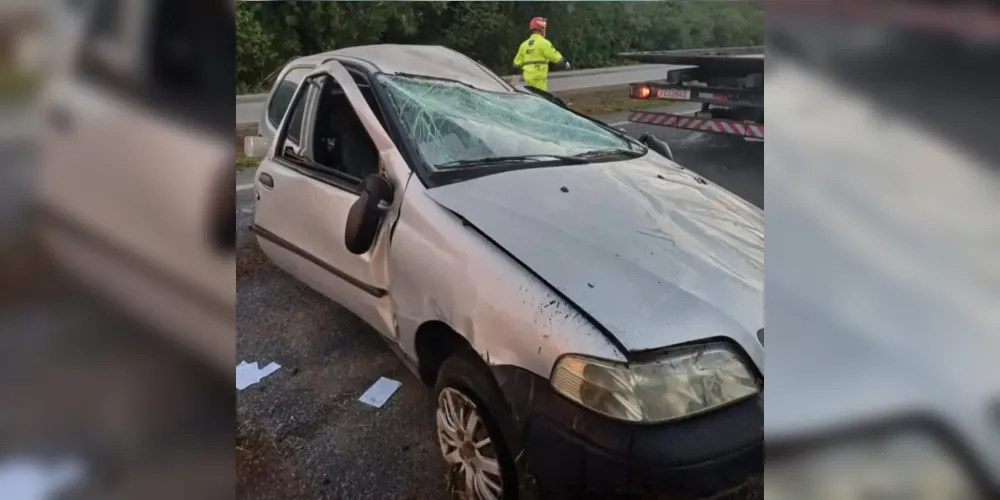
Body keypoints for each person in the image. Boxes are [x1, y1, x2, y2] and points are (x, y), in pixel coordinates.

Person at [513, 16, 570, 91]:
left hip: (528, 80)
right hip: (539, 80)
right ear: (542, 28)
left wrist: (514, 82)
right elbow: (555, 56)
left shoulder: (524, 45)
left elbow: (516, 65)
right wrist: (565, 63)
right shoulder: (544, 43)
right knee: (541, 99)